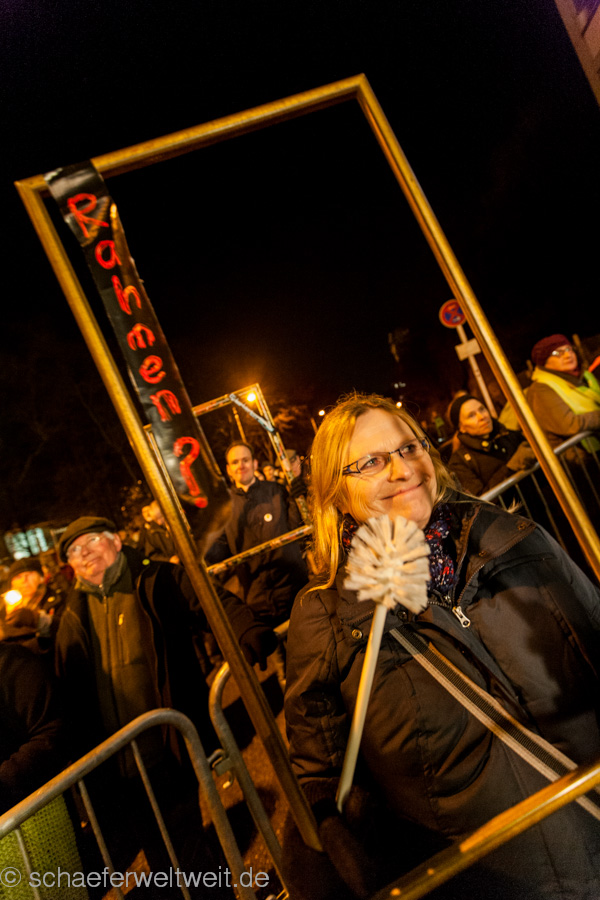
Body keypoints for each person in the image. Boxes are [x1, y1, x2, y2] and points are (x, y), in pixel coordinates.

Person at [283, 392, 600, 900]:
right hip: (505, 881)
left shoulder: (513, 536)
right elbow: (322, 783)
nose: (403, 469)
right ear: (336, 493)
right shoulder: (326, 616)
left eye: (410, 447)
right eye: (371, 462)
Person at [55, 516, 277, 764]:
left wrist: (245, 627)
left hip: (171, 741)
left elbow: (211, 602)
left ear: (116, 542)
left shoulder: (156, 579)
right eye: (74, 550)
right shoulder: (71, 616)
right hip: (114, 761)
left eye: (92, 540)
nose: (84, 552)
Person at [206, 442, 307, 628]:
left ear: (254, 463)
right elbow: (219, 554)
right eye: (235, 462)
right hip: (257, 599)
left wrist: (299, 499)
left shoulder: (276, 491)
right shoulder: (223, 507)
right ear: (228, 469)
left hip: (294, 588)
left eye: (245, 460)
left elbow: (297, 528)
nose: (241, 465)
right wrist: (204, 536)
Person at [446, 394, 536, 495]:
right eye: (471, 415)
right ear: (461, 428)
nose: (482, 417)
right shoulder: (459, 462)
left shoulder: (510, 436)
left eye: (482, 409)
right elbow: (482, 499)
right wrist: (511, 468)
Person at [527, 333, 600, 453]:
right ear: (545, 361)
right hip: (581, 456)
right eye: (557, 353)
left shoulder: (584, 376)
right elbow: (568, 424)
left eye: (568, 349)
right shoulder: (541, 389)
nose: (567, 355)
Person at [1, 556, 66, 653]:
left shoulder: (58, 600)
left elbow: (66, 630)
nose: (24, 580)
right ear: (12, 583)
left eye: (29, 574)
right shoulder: (4, 607)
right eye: (18, 577)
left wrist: (37, 619)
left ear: (41, 578)